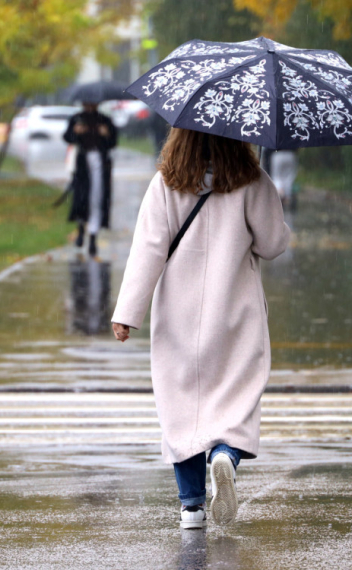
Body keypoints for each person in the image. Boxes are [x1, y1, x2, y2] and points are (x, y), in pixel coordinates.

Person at [111, 128, 291, 529]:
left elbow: (148, 249)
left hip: (179, 315)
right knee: (235, 397)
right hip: (235, 314)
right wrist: (267, 195)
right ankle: (226, 454)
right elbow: (274, 244)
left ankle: (191, 506)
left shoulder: (166, 184)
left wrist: (127, 313)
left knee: (182, 409)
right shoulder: (250, 181)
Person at [63, 102, 117, 257]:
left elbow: (113, 142)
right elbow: (68, 137)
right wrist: (76, 132)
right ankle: (81, 230)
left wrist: (106, 134)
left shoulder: (104, 120)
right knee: (81, 199)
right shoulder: (77, 119)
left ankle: (93, 236)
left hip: (100, 165)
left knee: (97, 199)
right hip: (82, 165)